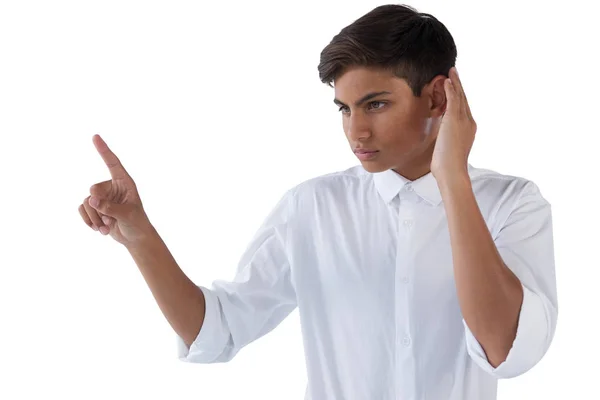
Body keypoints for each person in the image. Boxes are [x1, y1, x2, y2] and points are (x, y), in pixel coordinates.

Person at [78, 4, 558, 399]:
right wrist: (139, 235)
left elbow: (505, 349)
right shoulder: (312, 207)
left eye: (376, 103)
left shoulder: (512, 205)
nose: (356, 131)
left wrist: (452, 177)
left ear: (437, 99)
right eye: (344, 109)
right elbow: (217, 330)